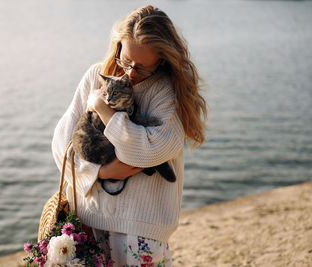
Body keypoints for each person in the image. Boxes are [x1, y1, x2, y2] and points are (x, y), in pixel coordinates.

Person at [51, 5, 207, 266]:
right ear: (117, 47)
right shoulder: (95, 76)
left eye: (142, 68)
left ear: (163, 60)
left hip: (141, 232)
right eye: (126, 61)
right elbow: (61, 145)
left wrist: (102, 109)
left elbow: (150, 151)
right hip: (85, 223)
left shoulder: (166, 91)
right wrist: (98, 172)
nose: (130, 73)